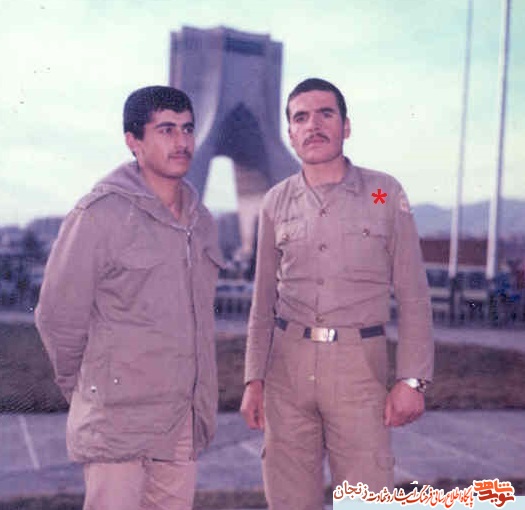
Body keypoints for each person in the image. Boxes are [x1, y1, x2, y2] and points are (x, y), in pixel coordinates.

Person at [240, 78, 434, 509]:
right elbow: (262, 302)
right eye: (301, 118)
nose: (313, 125)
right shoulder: (275, 203)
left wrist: (412, 379)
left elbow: (414, 294)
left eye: (325, 114)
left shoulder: (382, 194)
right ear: (290, 133)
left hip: (358, 370)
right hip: (286, 371)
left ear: (346, 126)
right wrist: (254, 379)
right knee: (288, 499)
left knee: (366, 497)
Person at [35, 86, 224, 510]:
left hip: (180, 423)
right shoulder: (99, 215)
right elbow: (57, 317)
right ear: (133, 141)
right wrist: (89, 390)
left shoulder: (202, 222)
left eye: (188, 129)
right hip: (117, 421)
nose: (182, 141)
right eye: (166, 130)